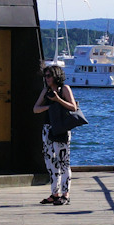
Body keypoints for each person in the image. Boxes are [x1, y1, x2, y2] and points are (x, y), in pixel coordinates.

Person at [32, 65, 80, 205]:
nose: (47, 79)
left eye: (49, 76)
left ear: (56, 76)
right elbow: (35, 109)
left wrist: (58, 100)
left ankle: (66, 194)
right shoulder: (45, 90)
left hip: (61, 128)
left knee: (63, 161)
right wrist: (49, 106)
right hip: (48, 128)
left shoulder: (64, 89)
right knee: (50, 162)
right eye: (45, 76)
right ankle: (54, 193)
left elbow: (73, 107)